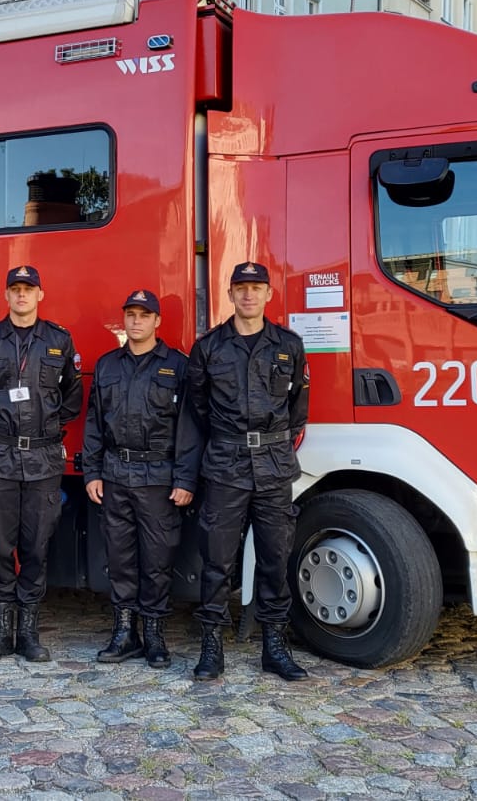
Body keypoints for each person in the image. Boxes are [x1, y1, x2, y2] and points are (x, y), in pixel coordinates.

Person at [177, 261, 311, 682]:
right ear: (230, 294)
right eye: (241, 288)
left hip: (272, 468)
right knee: (217, 560)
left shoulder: (288, 346)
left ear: (268, 294)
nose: (249, 295)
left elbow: (297, 411)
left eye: (256, 288)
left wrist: (271, 443)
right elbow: (196, 410)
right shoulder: (209, 348)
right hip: (225, 466)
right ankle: (211, 645)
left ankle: (274, 645)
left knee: (275, 558)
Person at [0, 265, 83, 662]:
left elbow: (72, 396)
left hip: (43, 459)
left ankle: (29, 634)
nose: (21, 296)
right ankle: (0, 632)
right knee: (0, 546)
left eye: (28, 290)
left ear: (40, 295)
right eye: (15, 289)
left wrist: (48, 426)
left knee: (36, 545)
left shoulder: (58, 340)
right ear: (6, 296)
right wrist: (0, 426)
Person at [81, 290, 197, 669]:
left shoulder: (177, 367)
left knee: (158, 561)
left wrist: (185, 479)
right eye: (130, 314)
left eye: (144, 315)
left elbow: (188, 428)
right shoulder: (107, 365)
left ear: (157, 321)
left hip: (159, 479)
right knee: (120, 560)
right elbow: (95, 422)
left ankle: (155, 636)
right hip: (116, 476)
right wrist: (92, 472)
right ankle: (124, 633)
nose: (136, 321)